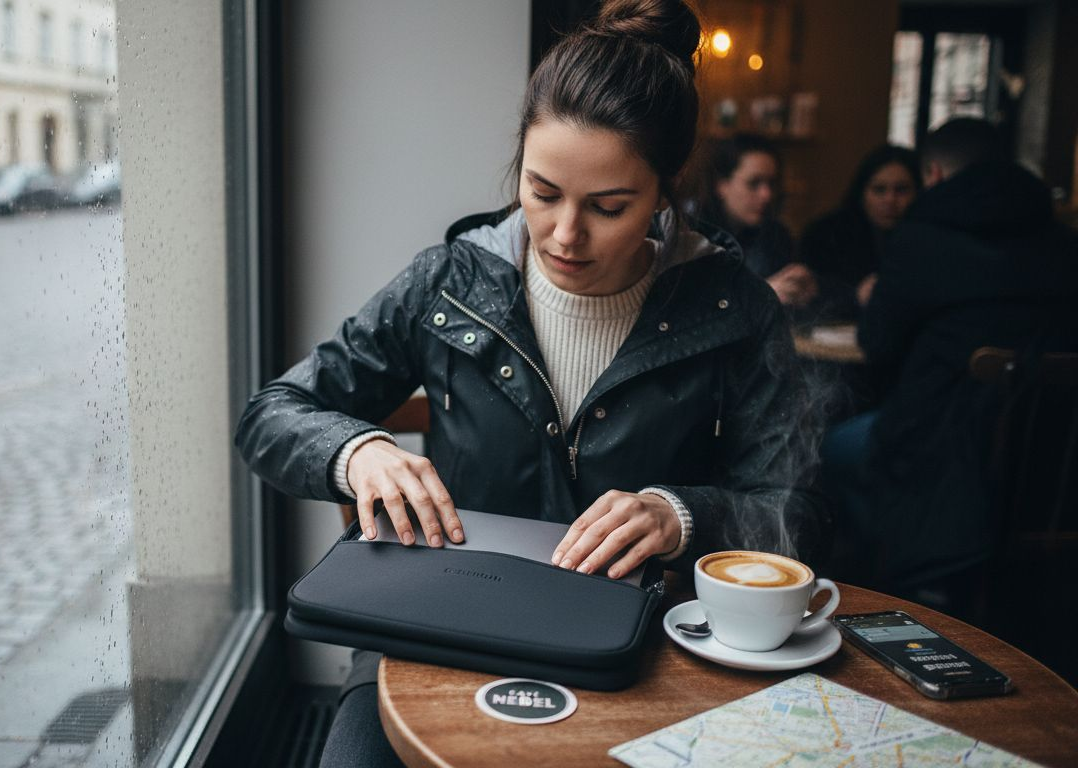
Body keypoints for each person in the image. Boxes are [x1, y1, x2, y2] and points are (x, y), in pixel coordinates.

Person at [235, 1, 827, 764]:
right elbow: (271, 414)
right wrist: (358, 452)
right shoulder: (451, 283)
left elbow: (798, 511)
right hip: (430, 628)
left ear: (664, 191)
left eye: (608, 207)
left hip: (639, 644)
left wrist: (679, 515)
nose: (565, 235)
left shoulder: (733, 309)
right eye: (543, 192)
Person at [820, 118, 1078, 607]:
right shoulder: (1064, 243)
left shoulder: (922, 240)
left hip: (939, 454)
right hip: (1051, 467)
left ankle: (885, 575)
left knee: (832, 448)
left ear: (934, 174)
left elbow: (877, 344)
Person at [799, 145, 921, 321]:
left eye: (901, 190)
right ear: (862, 193)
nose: (890, 200)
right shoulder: (826, 236)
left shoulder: (928, 238)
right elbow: (807, 297)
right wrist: (854, 297)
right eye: (879, 189)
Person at [693, 133, 816, 308]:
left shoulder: (775, 234)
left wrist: (803, 287)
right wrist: (763, 293)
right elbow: (696, 307)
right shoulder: (693, 236)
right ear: (721, 185)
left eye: (771, 183)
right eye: (753, 183)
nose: (766, 195)